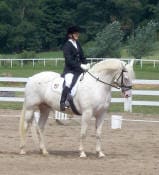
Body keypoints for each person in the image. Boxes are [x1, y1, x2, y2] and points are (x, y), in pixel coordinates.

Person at [60, 26, 90, 111]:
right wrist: (80, 65)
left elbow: (82, 56)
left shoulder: (77, 44)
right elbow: (69, 61)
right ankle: (63, 102)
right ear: (70, 35)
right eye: (75, 33)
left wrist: (87, 64)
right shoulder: (67, 46)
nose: (77, 35)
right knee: (69, 82)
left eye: (77, 33)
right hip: (70, 70)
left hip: (79, 70)